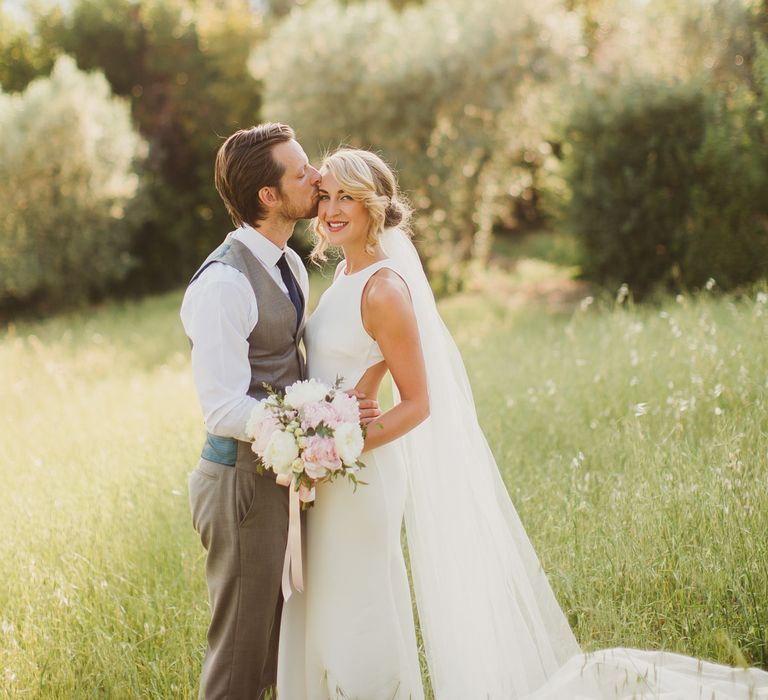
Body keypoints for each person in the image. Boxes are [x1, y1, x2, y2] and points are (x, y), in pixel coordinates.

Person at [277, 148, 768, 699]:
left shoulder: (385, 289)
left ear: (374, 205)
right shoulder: (346, 272)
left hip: (360, 475)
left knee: (361, 606)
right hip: (330, 472)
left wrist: (344, 445)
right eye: (326, 196)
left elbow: (417, 402)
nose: (332, 209)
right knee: (331, 602)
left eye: (347, 196)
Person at [181, 124, 380, 700]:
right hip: (238, 484)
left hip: (280, 477)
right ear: (269, 197)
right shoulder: (223, 283)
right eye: (301, 173)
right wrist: (307, 429)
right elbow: (220, 408)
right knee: (239, 660)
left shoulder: (289, 264)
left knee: (275, 649)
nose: (318, 177)